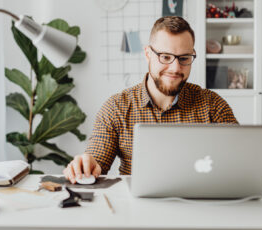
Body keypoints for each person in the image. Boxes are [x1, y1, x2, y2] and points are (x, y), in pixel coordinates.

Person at [63, 16, 238, 184]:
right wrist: (87, 165)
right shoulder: (116, 107)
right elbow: (97, 159)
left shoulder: (213, 105)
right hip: (136, 209)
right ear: (148, 54)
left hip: (200, 205)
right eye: (165, 57)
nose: (175, 68)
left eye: (184, 58)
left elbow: (240, 160)